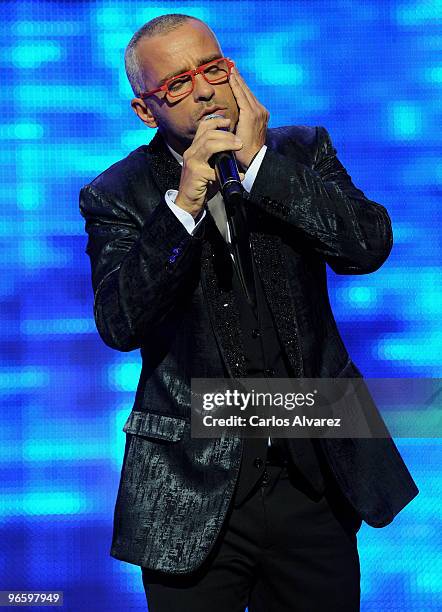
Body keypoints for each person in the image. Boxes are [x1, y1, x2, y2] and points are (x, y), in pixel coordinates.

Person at [79, 14, 419, 612]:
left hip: (313, 478)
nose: (206, 90)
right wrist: (183, 204)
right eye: (179, 84)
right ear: (145, 110)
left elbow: (367, 247)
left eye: (213, 69)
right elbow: (118, 322)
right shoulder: (118, 193)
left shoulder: (302, 152)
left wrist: (263, 166)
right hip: (191, 489)